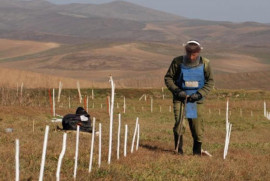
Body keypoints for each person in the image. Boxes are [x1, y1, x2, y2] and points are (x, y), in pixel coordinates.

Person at [164, 40, 214, 155]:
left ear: (198, 52)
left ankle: (196, 152)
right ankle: (179, 151)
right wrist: (177, 91)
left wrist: (200, 94)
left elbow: (210, 82)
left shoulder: (205, 63)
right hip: (181, 99)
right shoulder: (177, 62)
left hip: (196, 100)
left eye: (194, 54)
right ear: (185, 51)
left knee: (197, 127)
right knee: (179, 124)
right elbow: (168, 78)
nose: (191, 57)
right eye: (189, 54)